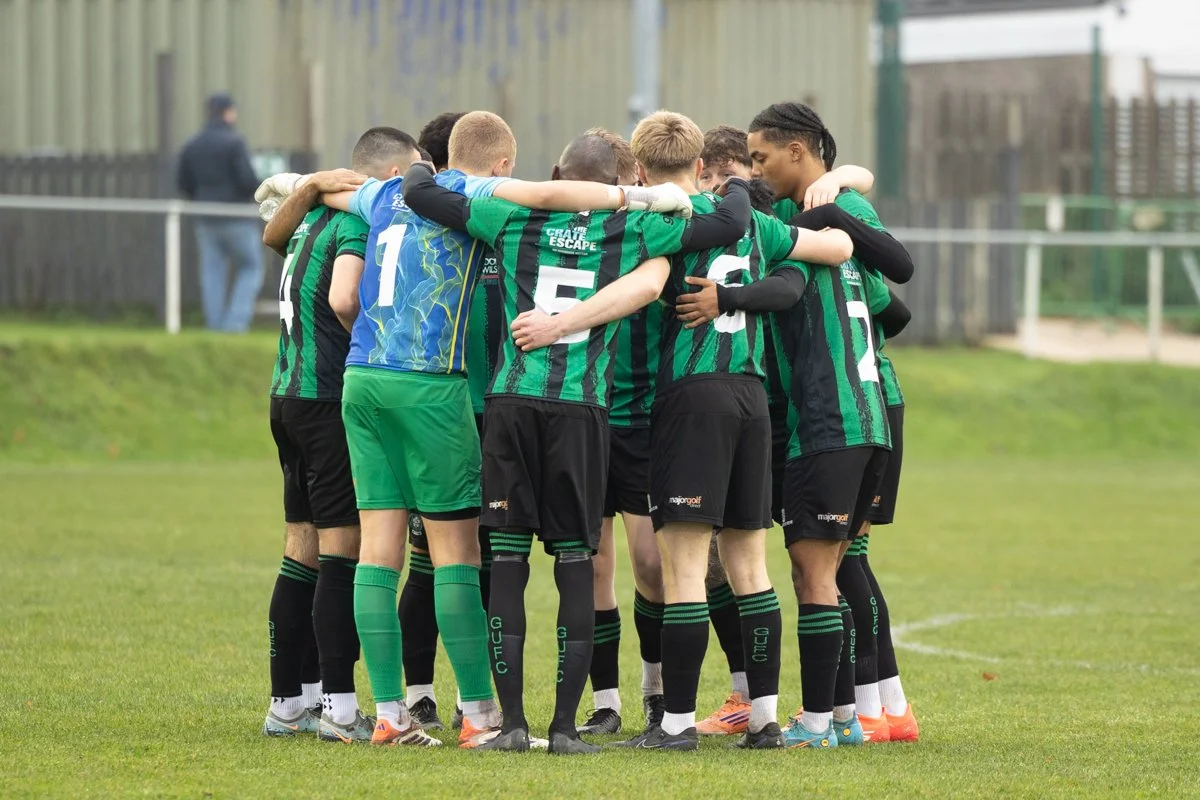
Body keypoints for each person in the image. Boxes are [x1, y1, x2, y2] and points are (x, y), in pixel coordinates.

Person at [269, 110, 694, 750]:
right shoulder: (481, 194)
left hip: (361, 379)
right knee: (456, 555)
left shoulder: (385, 193)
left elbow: (334, 194)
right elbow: (547, 196)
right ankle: (478, 714)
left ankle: (386, 713)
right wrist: (634, 197)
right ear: (500, 164)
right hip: (431, 384)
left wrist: (302, 183)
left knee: (378, 551)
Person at [400, 125, 753, 753]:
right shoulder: (637, 228)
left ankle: (512, 725)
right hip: (580, 409)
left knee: (508, 562)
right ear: (621, 181)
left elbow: (421, 194)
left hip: (511, 402)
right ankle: (565, 727)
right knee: (575, 563)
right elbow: (728, 223)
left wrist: (438, 170)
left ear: (558, 176)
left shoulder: (509, 216)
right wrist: (684, 195)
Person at [679, 100, 897, 749]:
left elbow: (788, 289)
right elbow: (897, 296)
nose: (754, 170)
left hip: (828, 423)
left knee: (814, 576)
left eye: (760, 158)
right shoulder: (842, 231)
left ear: (796, 153)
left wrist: (727, 296)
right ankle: (850, 717)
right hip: (871, 419)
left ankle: (819, 722)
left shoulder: (795, 234)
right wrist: (847, 181)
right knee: (833, 569)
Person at [257, 129, 419, 744]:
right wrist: (376, 344)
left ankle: (288, 704)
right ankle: (340, 710)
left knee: (300, 549)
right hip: (326, 397)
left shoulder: (309, 219)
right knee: (342, 554)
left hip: (287, 395)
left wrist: (310, 188)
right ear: (391, 175)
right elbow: (345, 297)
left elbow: (271, 237)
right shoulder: (357, 221)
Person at [575, 127, 667, 738]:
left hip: (641, 420)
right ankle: (605, 702)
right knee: (591, 566)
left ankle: (655, 692)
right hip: (584, 415)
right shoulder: (561, 231)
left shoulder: (650, 230)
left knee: (651, 566)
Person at [176, 93, 265, 333]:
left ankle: (215, 327)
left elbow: (183, 181)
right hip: (236, 217)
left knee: (212, 273)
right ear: (228, 112)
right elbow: (247, 180)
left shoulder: (193, 143)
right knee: (251, 267)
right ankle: (234, 325)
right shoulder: (234, 142)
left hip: (205, 217)